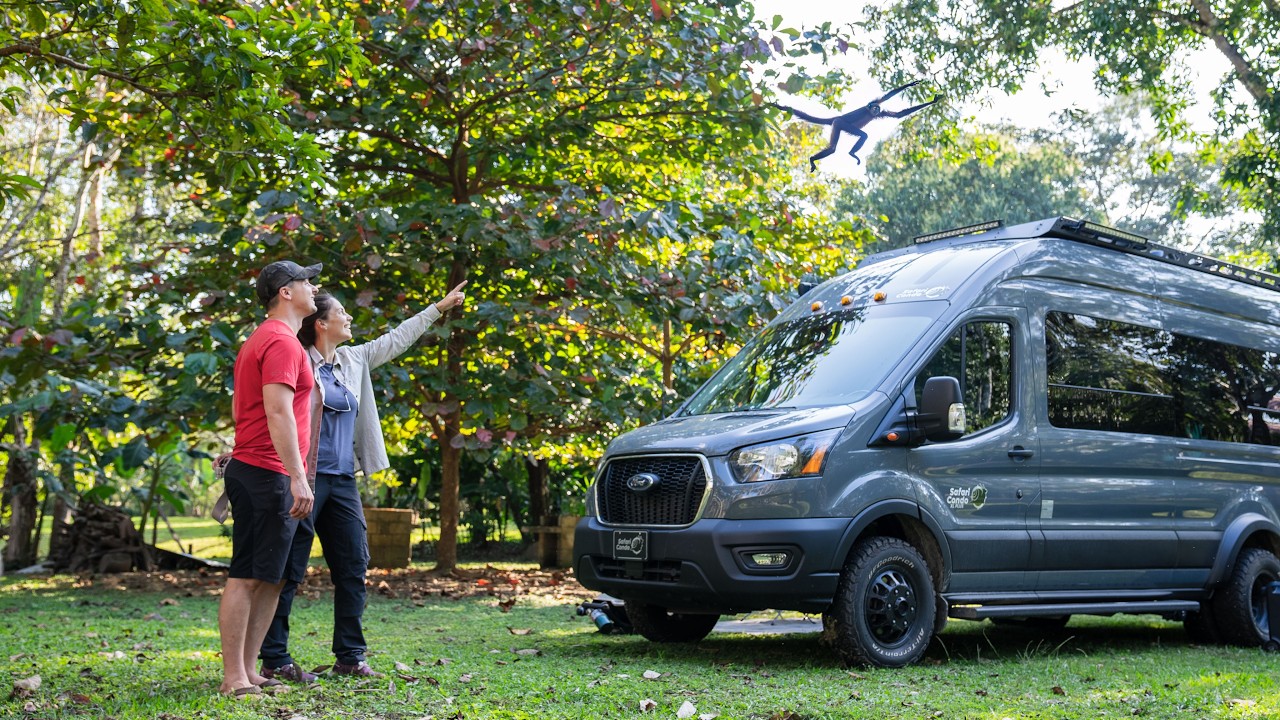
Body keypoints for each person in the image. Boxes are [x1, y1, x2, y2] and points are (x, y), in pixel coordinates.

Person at [259, 280, 467, 681]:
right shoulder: (295, 359)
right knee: (290, 569)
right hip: (303, 479)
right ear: (320, 323)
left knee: (354, 564)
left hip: (341, 482)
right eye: (341, 313)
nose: (349, 317)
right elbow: (273, 410)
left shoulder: (353, 360)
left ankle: (350, 656)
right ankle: (275, 658)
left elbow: (398, 338)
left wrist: (437, 308)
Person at [218, 260, 322, 698]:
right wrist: (299, 477)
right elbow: (277, 411)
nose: (314, 288)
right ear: (285, 291)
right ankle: (232, 679)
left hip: (268, 469)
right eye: (307, 282)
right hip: (266, 472)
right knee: (247, 575)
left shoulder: (275, 340)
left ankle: (249, 670)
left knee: (272, 577)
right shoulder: (280, 341)